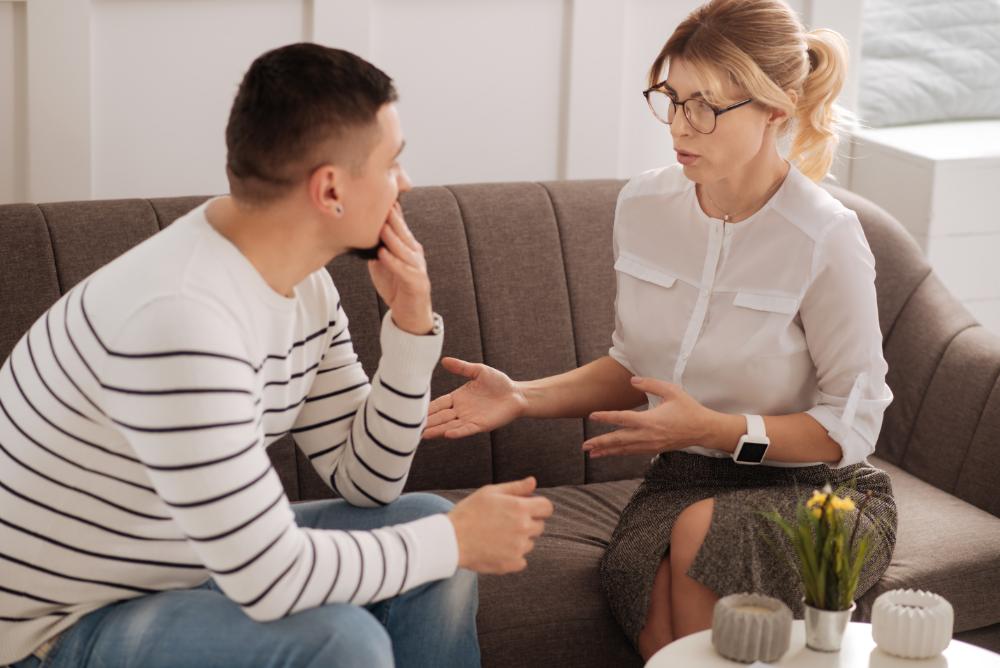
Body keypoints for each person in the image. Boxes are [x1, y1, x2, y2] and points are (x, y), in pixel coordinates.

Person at [0, 43, 553, 668]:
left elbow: (368, 481)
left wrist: (409, 327)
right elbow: (268, 578)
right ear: (331, 189)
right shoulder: (180, 320)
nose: (406, 184)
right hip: (61, 626)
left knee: (424, 526)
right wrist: (453, 540)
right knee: (348, 634)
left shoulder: (301, 285)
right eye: (393, 163)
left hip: (186, 566)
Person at [424, 0, 897, 660]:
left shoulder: (824, 237)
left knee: (703, 553)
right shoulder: (643, 206)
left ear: (776, 109)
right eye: (671, 98)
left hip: (818, 493)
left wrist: (715, 429)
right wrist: (523, 396)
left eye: (707, 105)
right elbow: (634, 366)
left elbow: (851, 427)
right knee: (661, 628)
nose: (680, 125)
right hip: (680, 482)